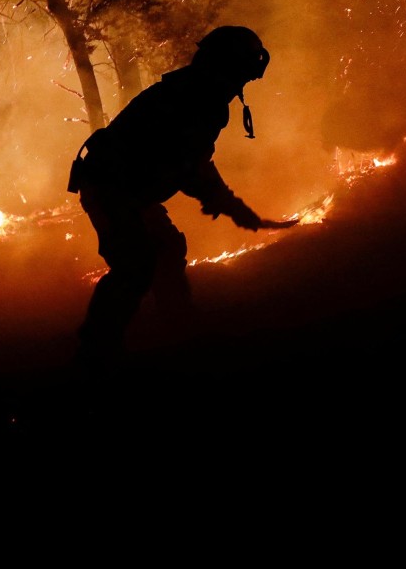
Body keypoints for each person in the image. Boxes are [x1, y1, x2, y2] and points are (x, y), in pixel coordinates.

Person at [66, 25, 295, 370]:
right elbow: (187, 164)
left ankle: (180, 335)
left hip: (129, 189)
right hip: (110, 187)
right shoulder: (195, 98)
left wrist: (227, 203)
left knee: (167, 251)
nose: (244, 84)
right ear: (229, 66)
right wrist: (230, 206)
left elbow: (196, 161)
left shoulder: (198, 92)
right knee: (136, 264)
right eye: (244, 73)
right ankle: (95, 356)